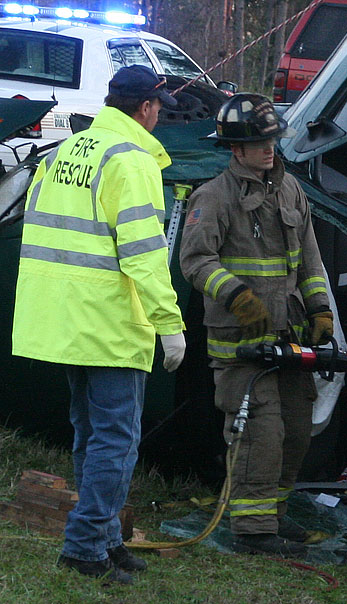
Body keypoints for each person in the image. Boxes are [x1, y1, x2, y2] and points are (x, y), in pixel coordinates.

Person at [12, 65, 186, 585]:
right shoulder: (131, 159)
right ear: (146, 108)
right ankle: (85, 547)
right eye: (159, 108)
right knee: (115, 440)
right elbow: (144, 253)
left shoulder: (67, 150)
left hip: (64, 318)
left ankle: (106, 538)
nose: (159, 117)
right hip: (108, 322)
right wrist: (169, 323)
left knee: (91, 435)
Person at [179, 93, 332, 557]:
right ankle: (252, 529)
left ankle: (274, 517)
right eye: (258, 143)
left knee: (296, 431)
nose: (269, 149)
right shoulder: (214, 196)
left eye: (272, 140)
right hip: (240, 343)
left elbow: (310, 260)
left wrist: (320, 309)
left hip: (289, 337)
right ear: (235, 148)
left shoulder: (291, 191)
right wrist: (237, 297)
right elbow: (195, 260)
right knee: (260, 435)